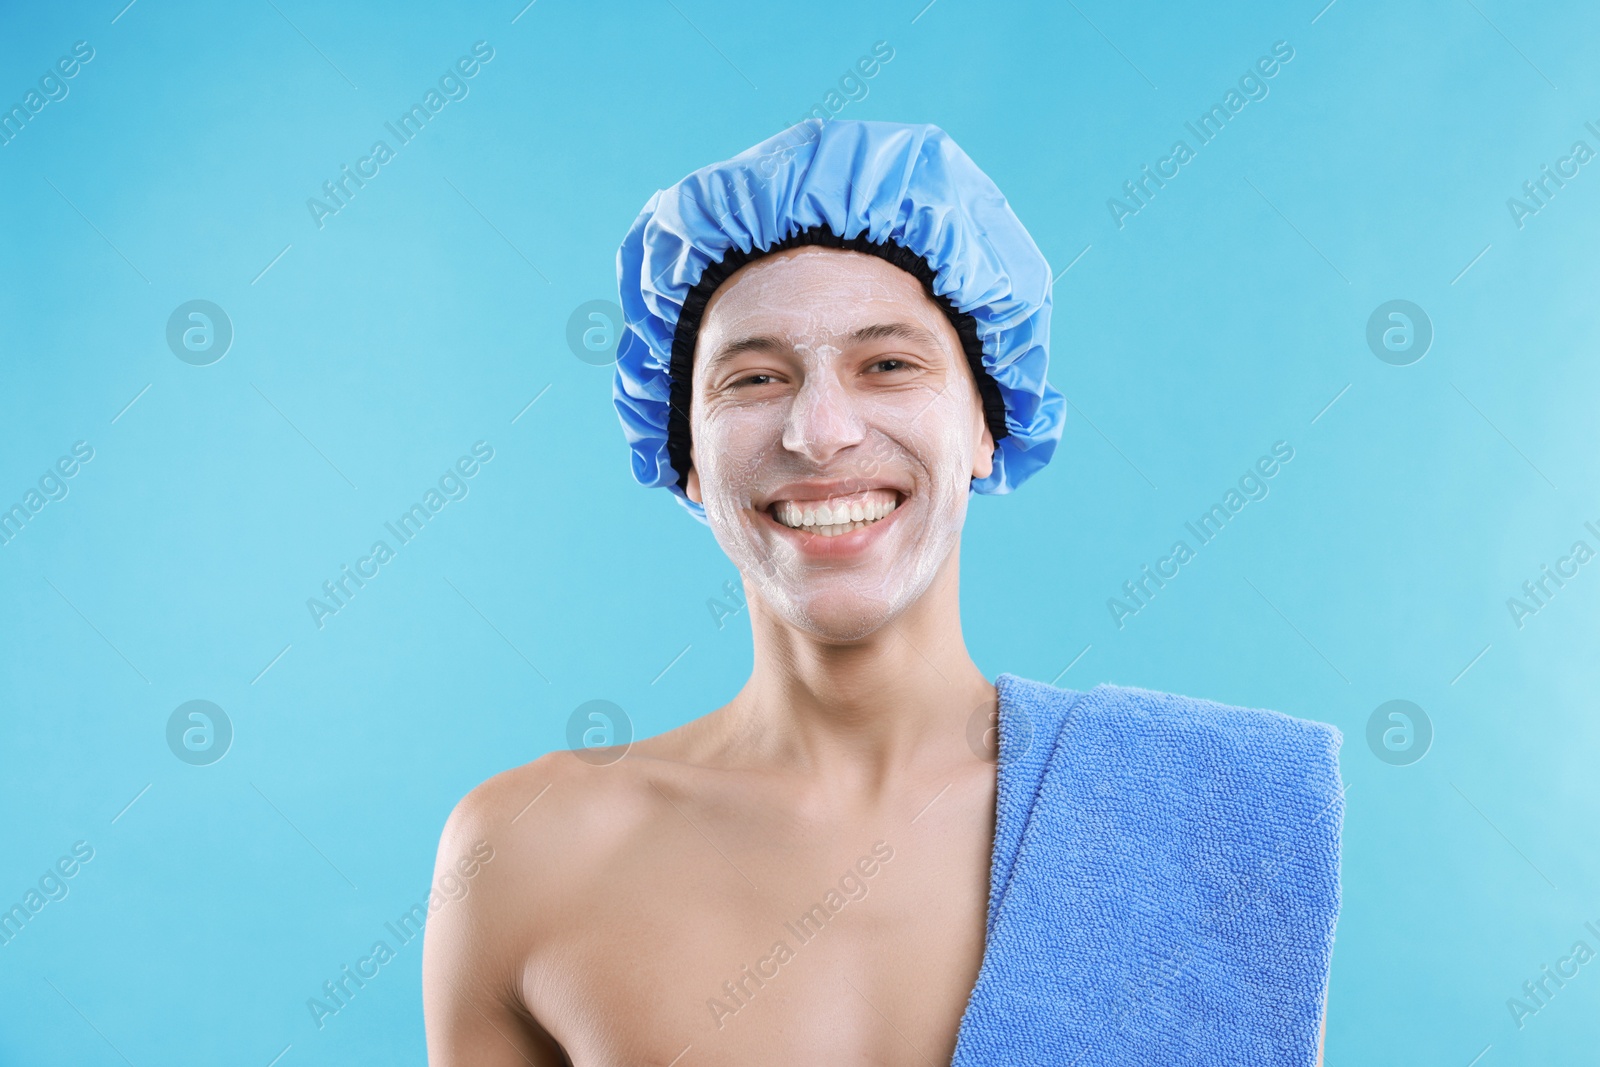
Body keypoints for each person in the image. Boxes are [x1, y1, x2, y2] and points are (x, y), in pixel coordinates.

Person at [422, 119, 1340, 1066]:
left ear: (989, 426)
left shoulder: (1209, 825)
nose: (820, 432)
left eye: (888, 364)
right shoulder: (528, 857)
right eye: (755, 375)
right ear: (682, 454)